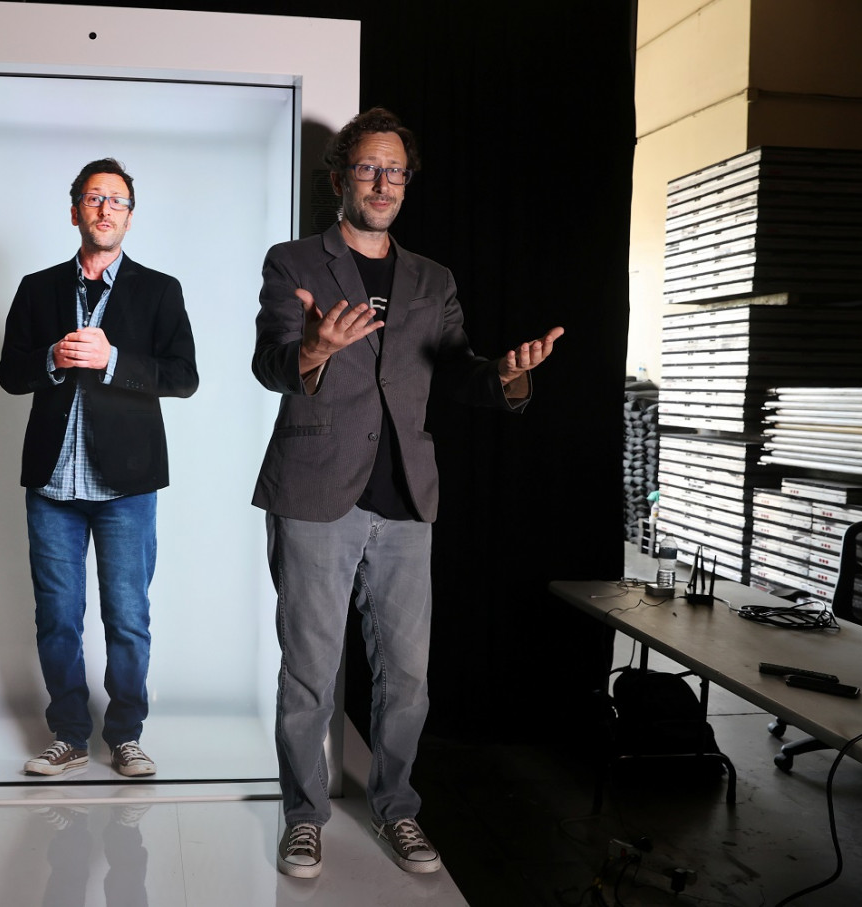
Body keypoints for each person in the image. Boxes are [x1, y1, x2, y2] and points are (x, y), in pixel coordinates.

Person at [250, 109, 563, 878]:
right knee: (309, 673)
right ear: (340, 178)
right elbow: (270, 360)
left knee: (408, 676)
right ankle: (303, 816)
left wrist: (504, 375)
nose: (384, 182)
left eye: (396, 170)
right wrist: (314, 349)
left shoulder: (432, 279)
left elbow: (454, 369)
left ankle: (397, 807)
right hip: (316, 493)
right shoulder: (294, 261)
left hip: (406, 501)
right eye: (368, 167)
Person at [0, 158, 198, 779]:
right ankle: (69, 736)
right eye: (93, 198)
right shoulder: (37, 288)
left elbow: (185, 377)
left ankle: (127, 735)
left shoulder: (159, 290)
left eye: (117, 200)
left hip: (126, 486)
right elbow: (9, 373)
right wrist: (53, 359)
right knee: (57, 618)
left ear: (129, 217)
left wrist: (113, 361)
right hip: (52, 483)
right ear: (75, 212)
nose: (105, 208)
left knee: (127, 618)